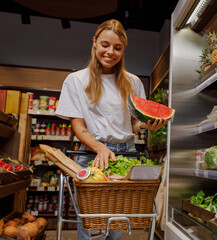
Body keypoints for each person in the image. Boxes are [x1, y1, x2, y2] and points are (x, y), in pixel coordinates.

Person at [55, 19, 168, 240]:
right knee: (92, 229)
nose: (110, 52)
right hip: (90, 156)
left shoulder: (133, 82)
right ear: (95, 42)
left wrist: (146, 124)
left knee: (117, 226)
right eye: (105, 44)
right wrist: (100, 148)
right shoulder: (76, 80)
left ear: (123, 49)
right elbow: (78, 126)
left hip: (125, 154)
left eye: (117, 47)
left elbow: (134, 124)